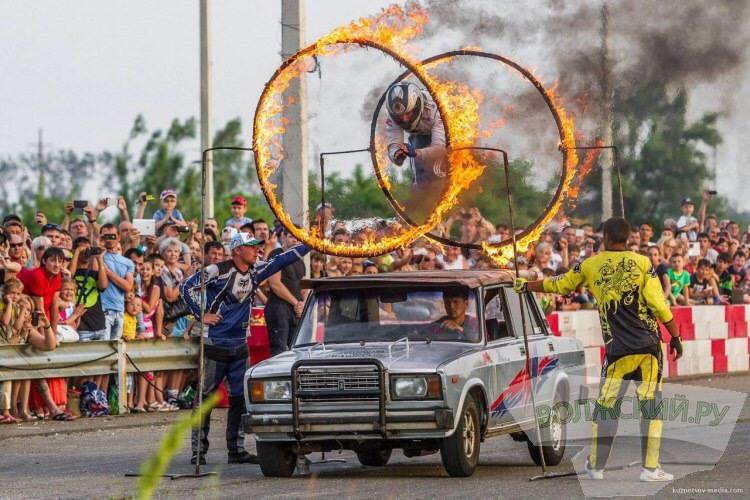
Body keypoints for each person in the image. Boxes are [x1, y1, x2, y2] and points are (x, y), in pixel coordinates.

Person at [514, 216, 682, 482]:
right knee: (651, 408)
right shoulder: (643, 263)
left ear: (604, 237)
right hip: (649, 348)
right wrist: (675, 335)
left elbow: (560, 284)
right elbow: (660, 305)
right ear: (629, 238)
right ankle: (650, 469)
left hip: (618, 352)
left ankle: (597, 467)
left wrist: (527, 286)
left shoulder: (591, 265)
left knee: (605, 409)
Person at [181, 232, 309, 465]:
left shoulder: (256, 271)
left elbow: (283, 259)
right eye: (252, 247)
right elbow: (186, 287)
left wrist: (310, 244)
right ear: (237, 249)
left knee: (240, 399)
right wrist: (202, 315)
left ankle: (236, 450)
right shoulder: (217, 270)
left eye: (258, 246)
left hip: (240, 344)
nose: (257, 250)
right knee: (205, 398)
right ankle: (198, 451)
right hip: (215, 344)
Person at [385, 82, 447, 186]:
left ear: (417, 105)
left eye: (408, 113)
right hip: (420, 135)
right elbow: (393, 146)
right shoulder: (393, 115)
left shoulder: (436, 108)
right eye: (400, 116)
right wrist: (397, 155)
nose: (404, 119)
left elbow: (440, 148)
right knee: (419, 173)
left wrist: (417, 152)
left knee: (441, 171)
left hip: (447, 133)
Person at [265, 228, 307, 356]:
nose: (295, 240)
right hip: (279, 307)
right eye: (291, 236)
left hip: (297, 310)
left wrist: (303, 303)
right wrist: (296, 303)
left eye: (298, 238)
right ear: (283, 237)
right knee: (279, 349)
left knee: (298, 349)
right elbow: (275, 284)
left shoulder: (300, 261)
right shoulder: (276, 254)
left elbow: (304, 286)